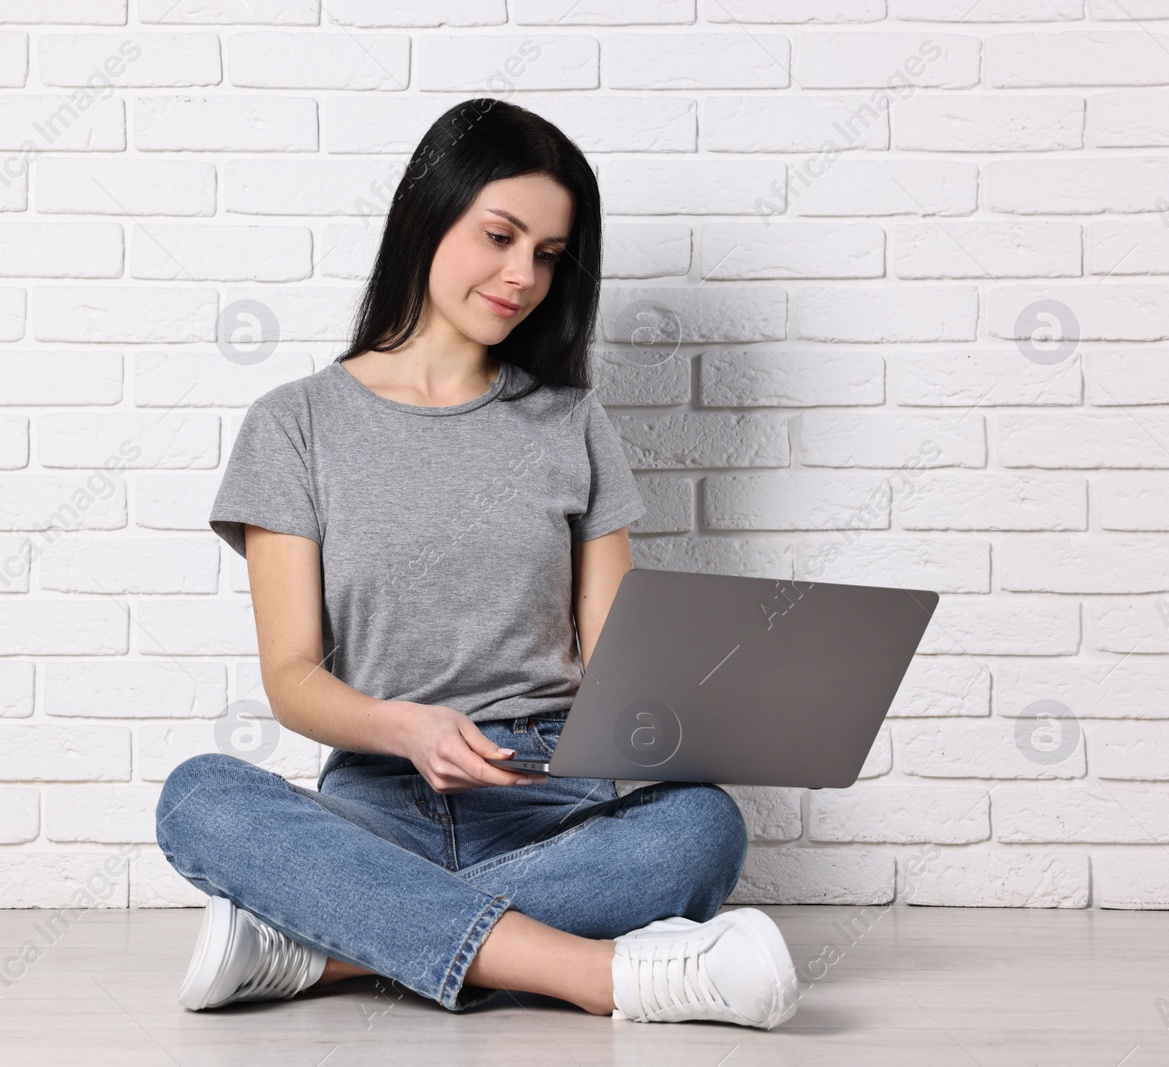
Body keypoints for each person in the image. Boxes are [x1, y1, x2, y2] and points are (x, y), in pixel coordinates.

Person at [155, 97, 799, 1029]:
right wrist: (407, 729)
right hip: (378, 799)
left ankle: (327, 948)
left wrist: (728, 697)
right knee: (199, 797)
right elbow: (293, 678)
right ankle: (602, 974)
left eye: (547, 255)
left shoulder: (572, 422)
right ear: (428, 214)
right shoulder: (293, 425)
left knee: (703, 825)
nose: (522, 275)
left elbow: (620, 660)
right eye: (499, 236)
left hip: (552, 799)